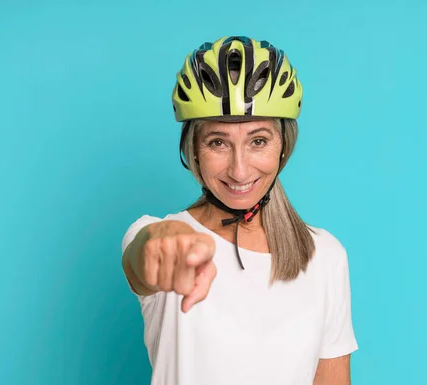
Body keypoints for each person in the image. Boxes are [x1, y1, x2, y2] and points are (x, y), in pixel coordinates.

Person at [121, 35, 358, 385]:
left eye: (258, 141)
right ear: (194, 151)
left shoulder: (324, 256)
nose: (240, 171)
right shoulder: (164, 237)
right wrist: (161, 240)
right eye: (218, 142)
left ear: (283, 147)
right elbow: (143, 259)